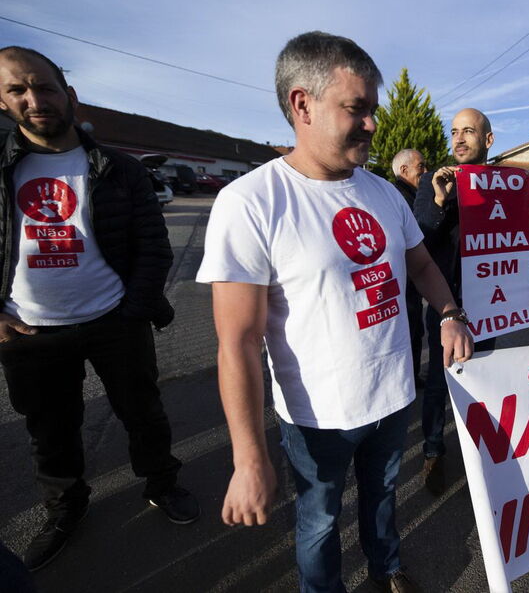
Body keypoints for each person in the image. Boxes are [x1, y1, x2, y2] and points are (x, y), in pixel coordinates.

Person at [197, 31, 472, 593]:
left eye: (373, 109)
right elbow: (239, 342)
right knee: (320, 521)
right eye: (357, 108)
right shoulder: (251, 202)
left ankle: (386, 566)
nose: (372, 124)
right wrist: (248, 457)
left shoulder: (385, 193)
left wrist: (449, 311)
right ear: (303, 104)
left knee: (383, 498)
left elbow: (420, 265)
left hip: (393, 396)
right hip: (317, 416)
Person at [0, 47, 198, 572]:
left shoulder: (118, 168)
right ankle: (66, 509)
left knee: (143, 412)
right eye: (17, 90)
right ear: (2, 101)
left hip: (115, 319)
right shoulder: (2, 170)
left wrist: (134, 309)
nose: (33, 99)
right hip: (30, 330)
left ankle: (162, 484)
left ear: (69, 95)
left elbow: (153, 246)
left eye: (43, 87)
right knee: (49, 428)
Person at [413, 108, 529, 495]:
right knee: (439, 384)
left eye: (468, 131)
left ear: (488, 140)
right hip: (447, 305)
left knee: (482, 381)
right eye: (454, 132)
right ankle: (433, 451)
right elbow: (420, 241)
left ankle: (477, 453)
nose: (458, 139)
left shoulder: (508, 183)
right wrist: (438, 201)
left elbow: (515, 234)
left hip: (490, 305)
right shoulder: (432, 182)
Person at [392, 148, 428, 388]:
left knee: (415, 330)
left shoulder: (411, 194)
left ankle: (410, 378)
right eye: (421, 167)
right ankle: (405, 381)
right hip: (403, 281)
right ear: (404, 170)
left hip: (410, 281)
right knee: (409, 331)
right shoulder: (399, 198)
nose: (426, 172)